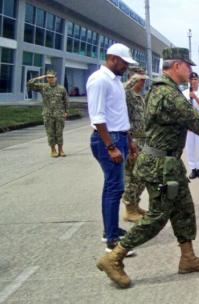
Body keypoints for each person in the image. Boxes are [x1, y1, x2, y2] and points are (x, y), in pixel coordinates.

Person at [96, 47, 199, 288]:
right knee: (158, 216)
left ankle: (188, 258)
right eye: (188, 66)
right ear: (177, 65)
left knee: (184, 210)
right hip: (160, 166)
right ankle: (114, 257)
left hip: (168, 163)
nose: (190, 71)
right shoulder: (168, 94)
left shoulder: (162, 89)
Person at [87, 43, 138, 254]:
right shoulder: (100, 81)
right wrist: (111, 146)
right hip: (107, 139)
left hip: (119, 136)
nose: (126, 67)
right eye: (124, 62)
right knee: (114, 188)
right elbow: (98, 117)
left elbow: (118, 115)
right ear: (113, 59)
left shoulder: (114, 80)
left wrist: (128, 140)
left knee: (115, 187)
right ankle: (112, 240)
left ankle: (111, 229)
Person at [121, 67, 149, 223]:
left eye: (144, 80)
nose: (143, 82)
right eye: (141, 79)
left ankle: (135, 205)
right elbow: (121, 89)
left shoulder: (140, 97)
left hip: (143, 142)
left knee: (142, 177)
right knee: (132, 177)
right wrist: (132, 80)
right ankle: (129, 209)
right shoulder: (126, 95)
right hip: (131, 141)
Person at [27, 70, 69, 157]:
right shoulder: (43, 87)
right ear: (46, 78)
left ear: (56, 78)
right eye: (48, 77)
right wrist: (40, 77)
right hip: (48, 114)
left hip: (59, 114)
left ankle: (61, 149)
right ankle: (53, 150)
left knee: (59, 133)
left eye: (52, 77)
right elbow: (29, 84)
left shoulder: (61, 88)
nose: (50, 79)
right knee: (50, 133)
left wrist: (66, 112)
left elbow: (66, 101)